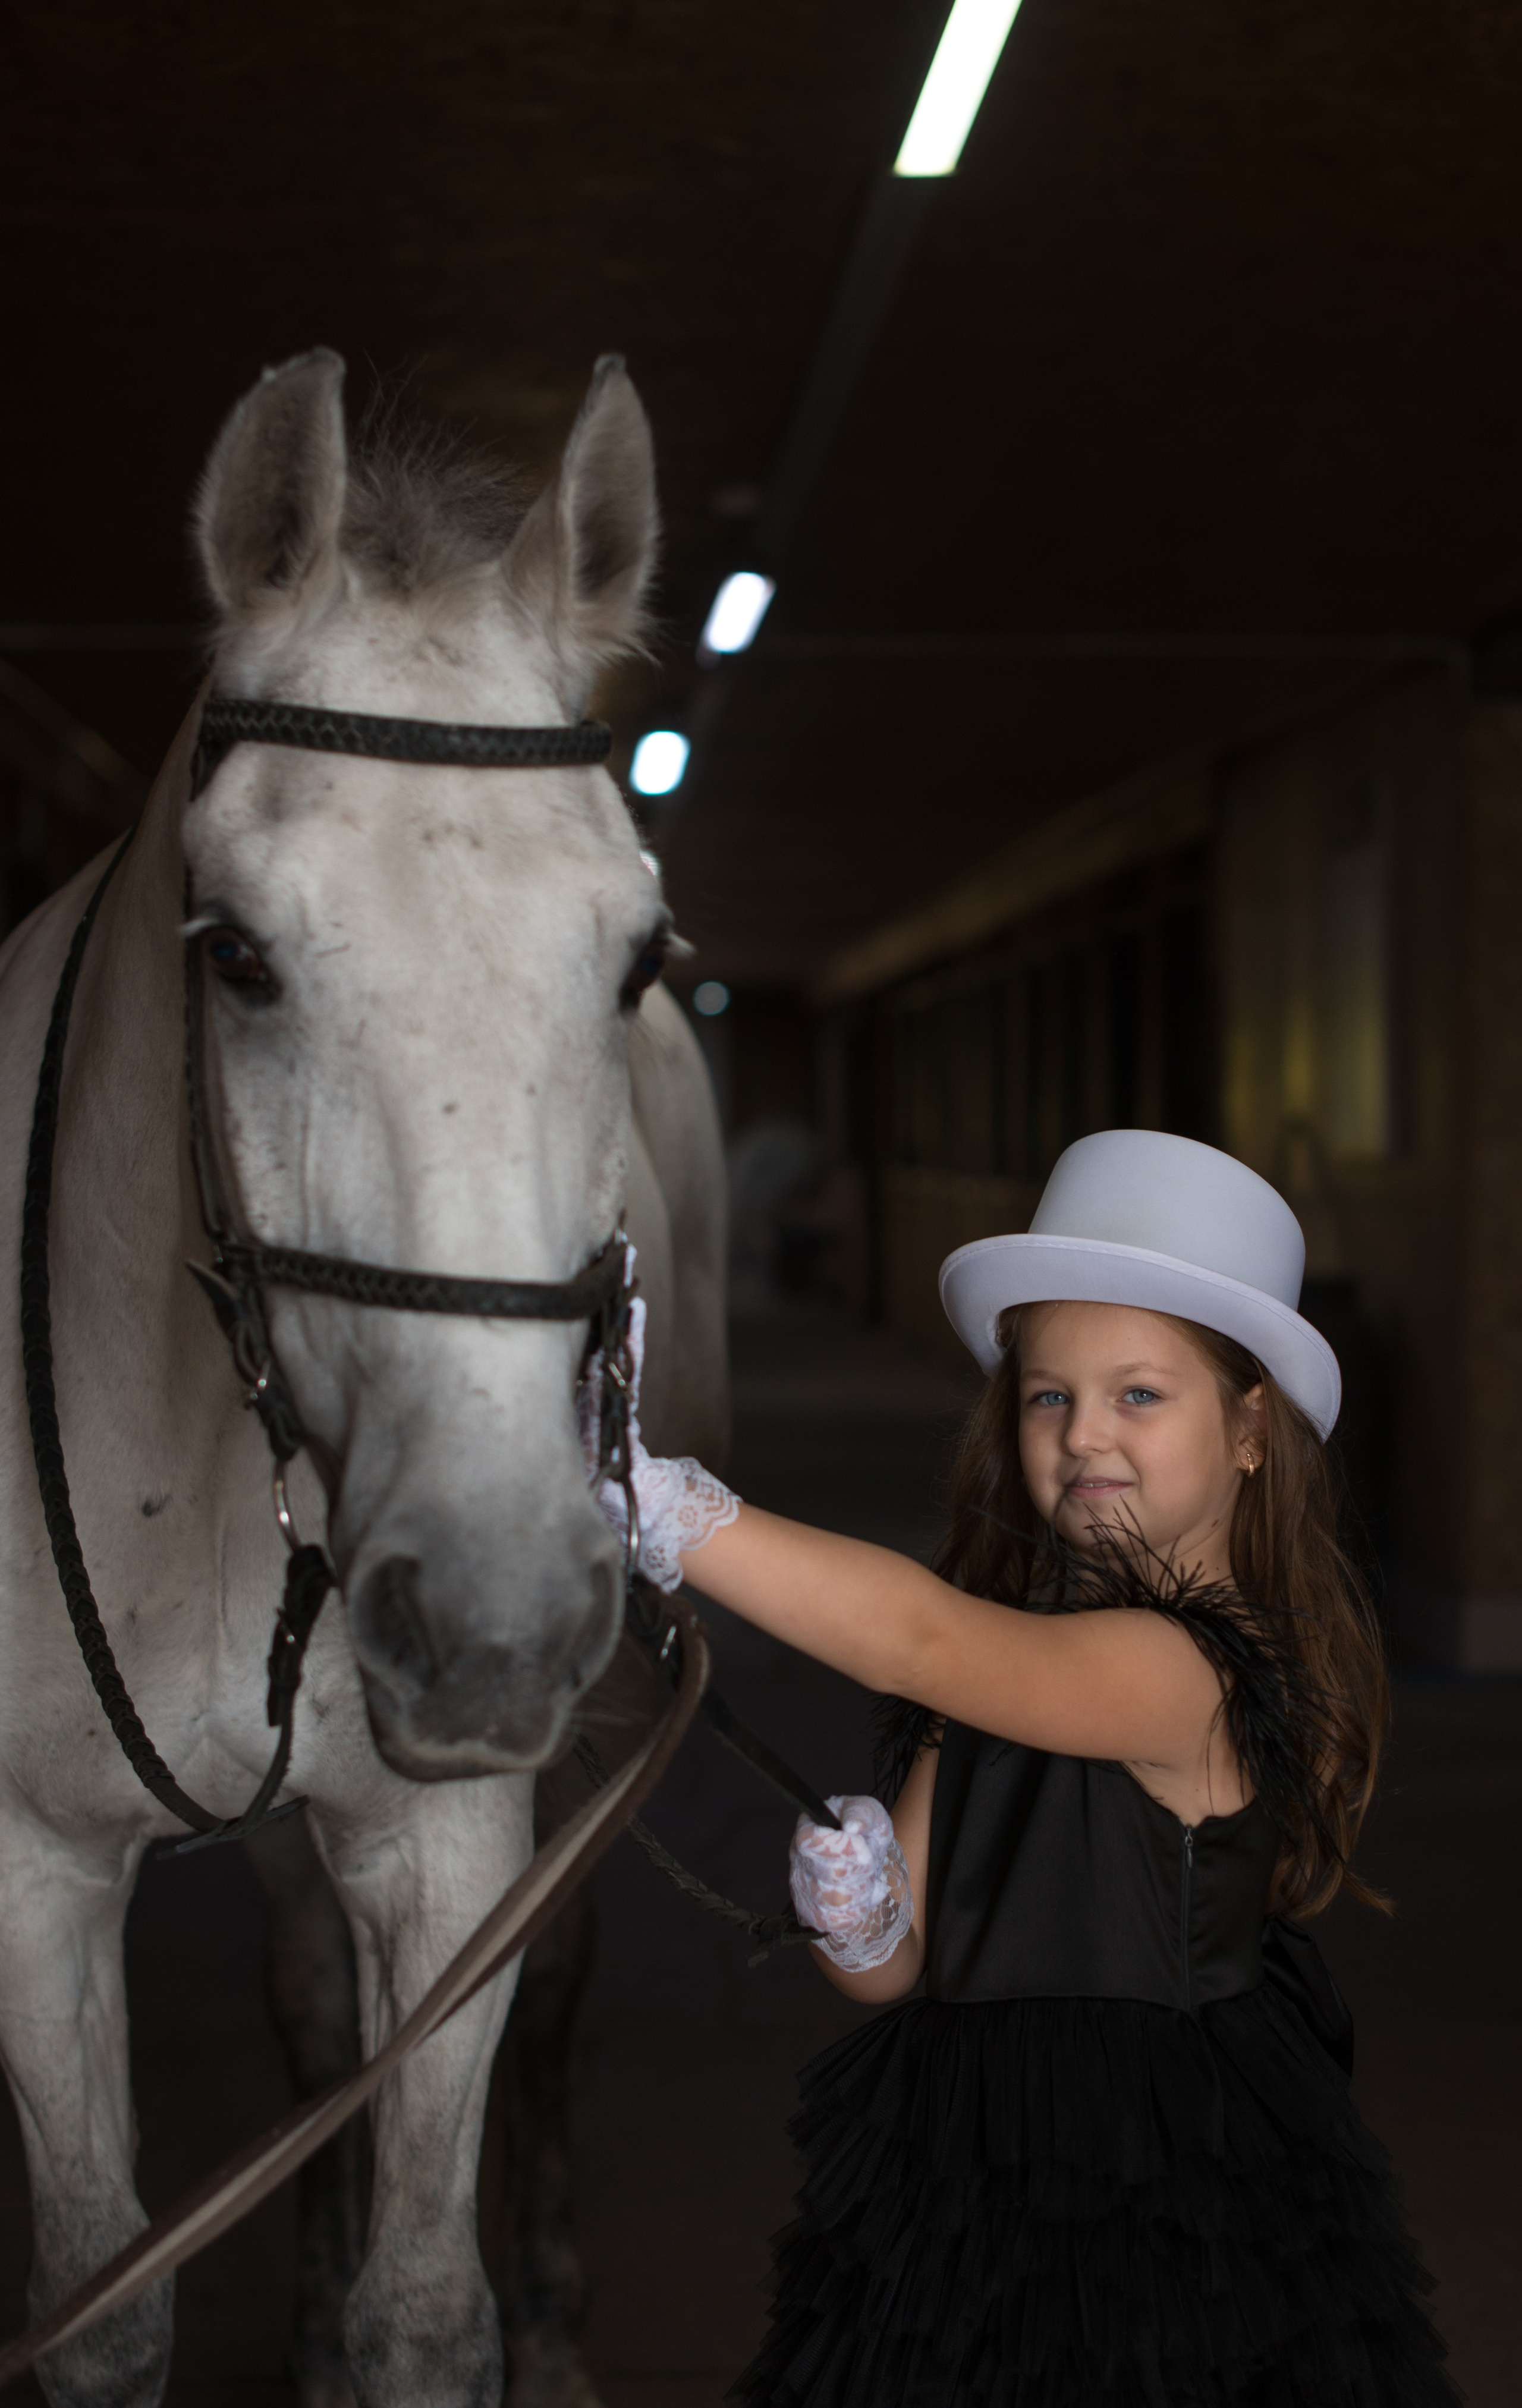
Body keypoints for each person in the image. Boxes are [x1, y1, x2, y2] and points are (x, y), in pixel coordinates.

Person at [588, 1128, 1458, 2406]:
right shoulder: (1011, 1659)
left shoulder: (1190, 1673)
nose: (1081, 1434)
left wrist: (660, 1504)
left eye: (1138, 1395)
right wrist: (860, 1909)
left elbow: (918, 1637)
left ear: (1251, 1432)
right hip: (961, 2181)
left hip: (1154, 2198)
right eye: (1048, 1395)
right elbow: (894, 1975)